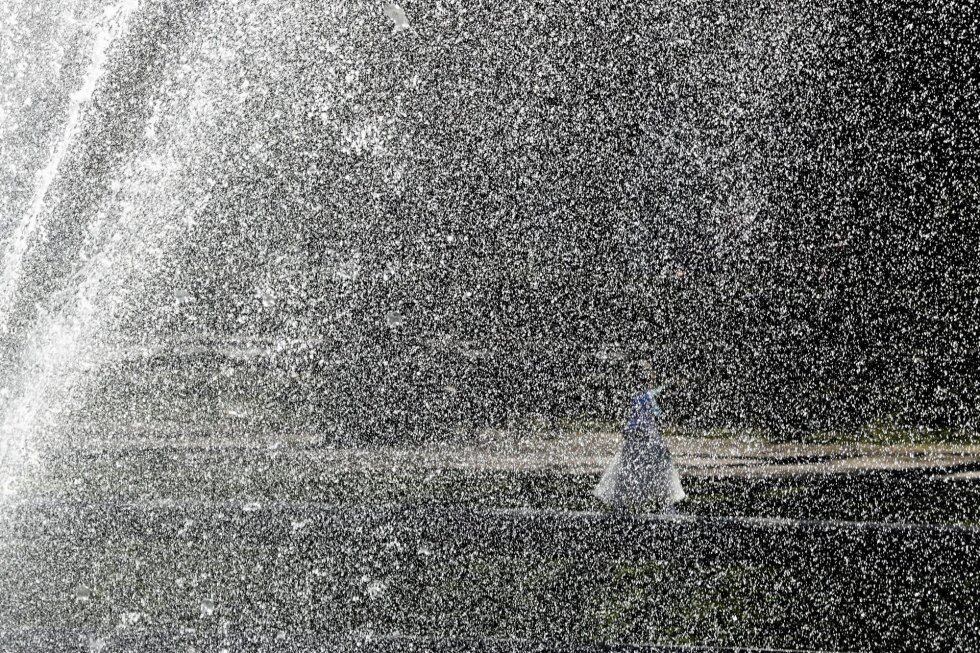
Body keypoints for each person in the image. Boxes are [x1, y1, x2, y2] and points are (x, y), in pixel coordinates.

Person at [593, 361, 686, 512]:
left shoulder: (641, 396)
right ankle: (665, 508)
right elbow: (652, 418)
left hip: (642, 440)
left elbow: (639, 419)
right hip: (645, 440)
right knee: (655, 473)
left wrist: (630, 430)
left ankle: (625, 507)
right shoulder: (644, 397)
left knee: (633, 472)